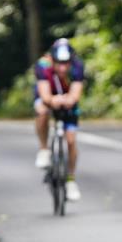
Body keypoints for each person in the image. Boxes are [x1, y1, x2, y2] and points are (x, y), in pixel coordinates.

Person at [33, 38, 84, 202]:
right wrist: (52, 101)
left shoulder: (77, 66)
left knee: (70, 141)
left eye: (66, 63)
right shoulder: (43, 65)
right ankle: (43, 149)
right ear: (52, 60)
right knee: (42, 111)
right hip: (48, 96)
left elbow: (75, 93)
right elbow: (44, 94)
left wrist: (67, 100)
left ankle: (70, 180)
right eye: (59, 63)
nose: (63, 68)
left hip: (68, 99)